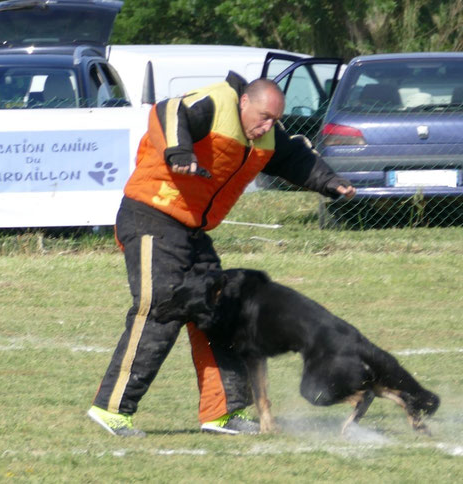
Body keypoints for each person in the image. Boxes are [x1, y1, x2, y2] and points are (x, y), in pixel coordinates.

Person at [87, 71, 356, 437]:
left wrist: (330, 181)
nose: (267, 127)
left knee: (219, 308)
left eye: (275, 120)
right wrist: (179, 151)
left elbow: (294, 158)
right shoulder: (214, 103)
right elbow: (167, 110)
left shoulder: (265, 134)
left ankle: (221, 413)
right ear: (244, 102)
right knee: (162, 306)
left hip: (190, 229)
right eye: (263, 117)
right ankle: (112, 408)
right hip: (151, 213)